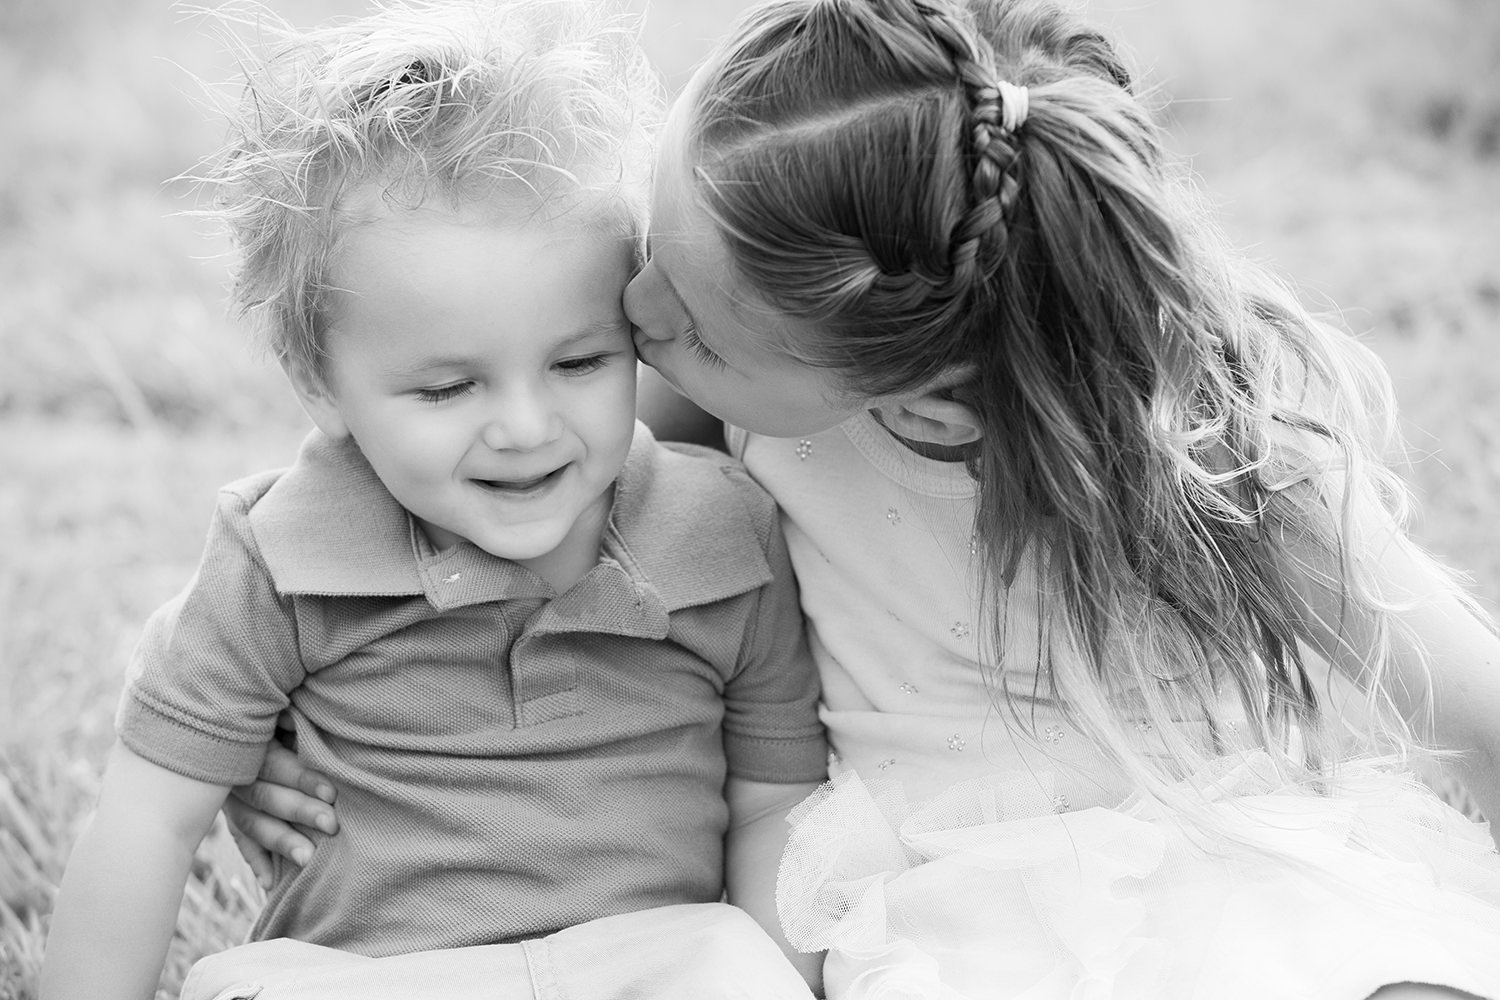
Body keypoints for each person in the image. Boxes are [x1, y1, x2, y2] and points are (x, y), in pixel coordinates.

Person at [216, 0, 1500, 997]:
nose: (632, 313)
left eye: (700, 328)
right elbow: (449, 532)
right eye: (650, 244)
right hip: (948, 901)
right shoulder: (711, 403)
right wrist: (283, 717)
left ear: (925, 400)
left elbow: (1472, 705)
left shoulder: (1217, 458)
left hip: (1227, 857)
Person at [37, 2, 830, 999]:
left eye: (580, 360)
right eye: (449, 387)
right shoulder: (277, 557)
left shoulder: (728, 531)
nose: (526, 426)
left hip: (658, 960)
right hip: (374, 976)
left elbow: (774, 804)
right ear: (319, 382)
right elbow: (151, 817)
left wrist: (775, 973)